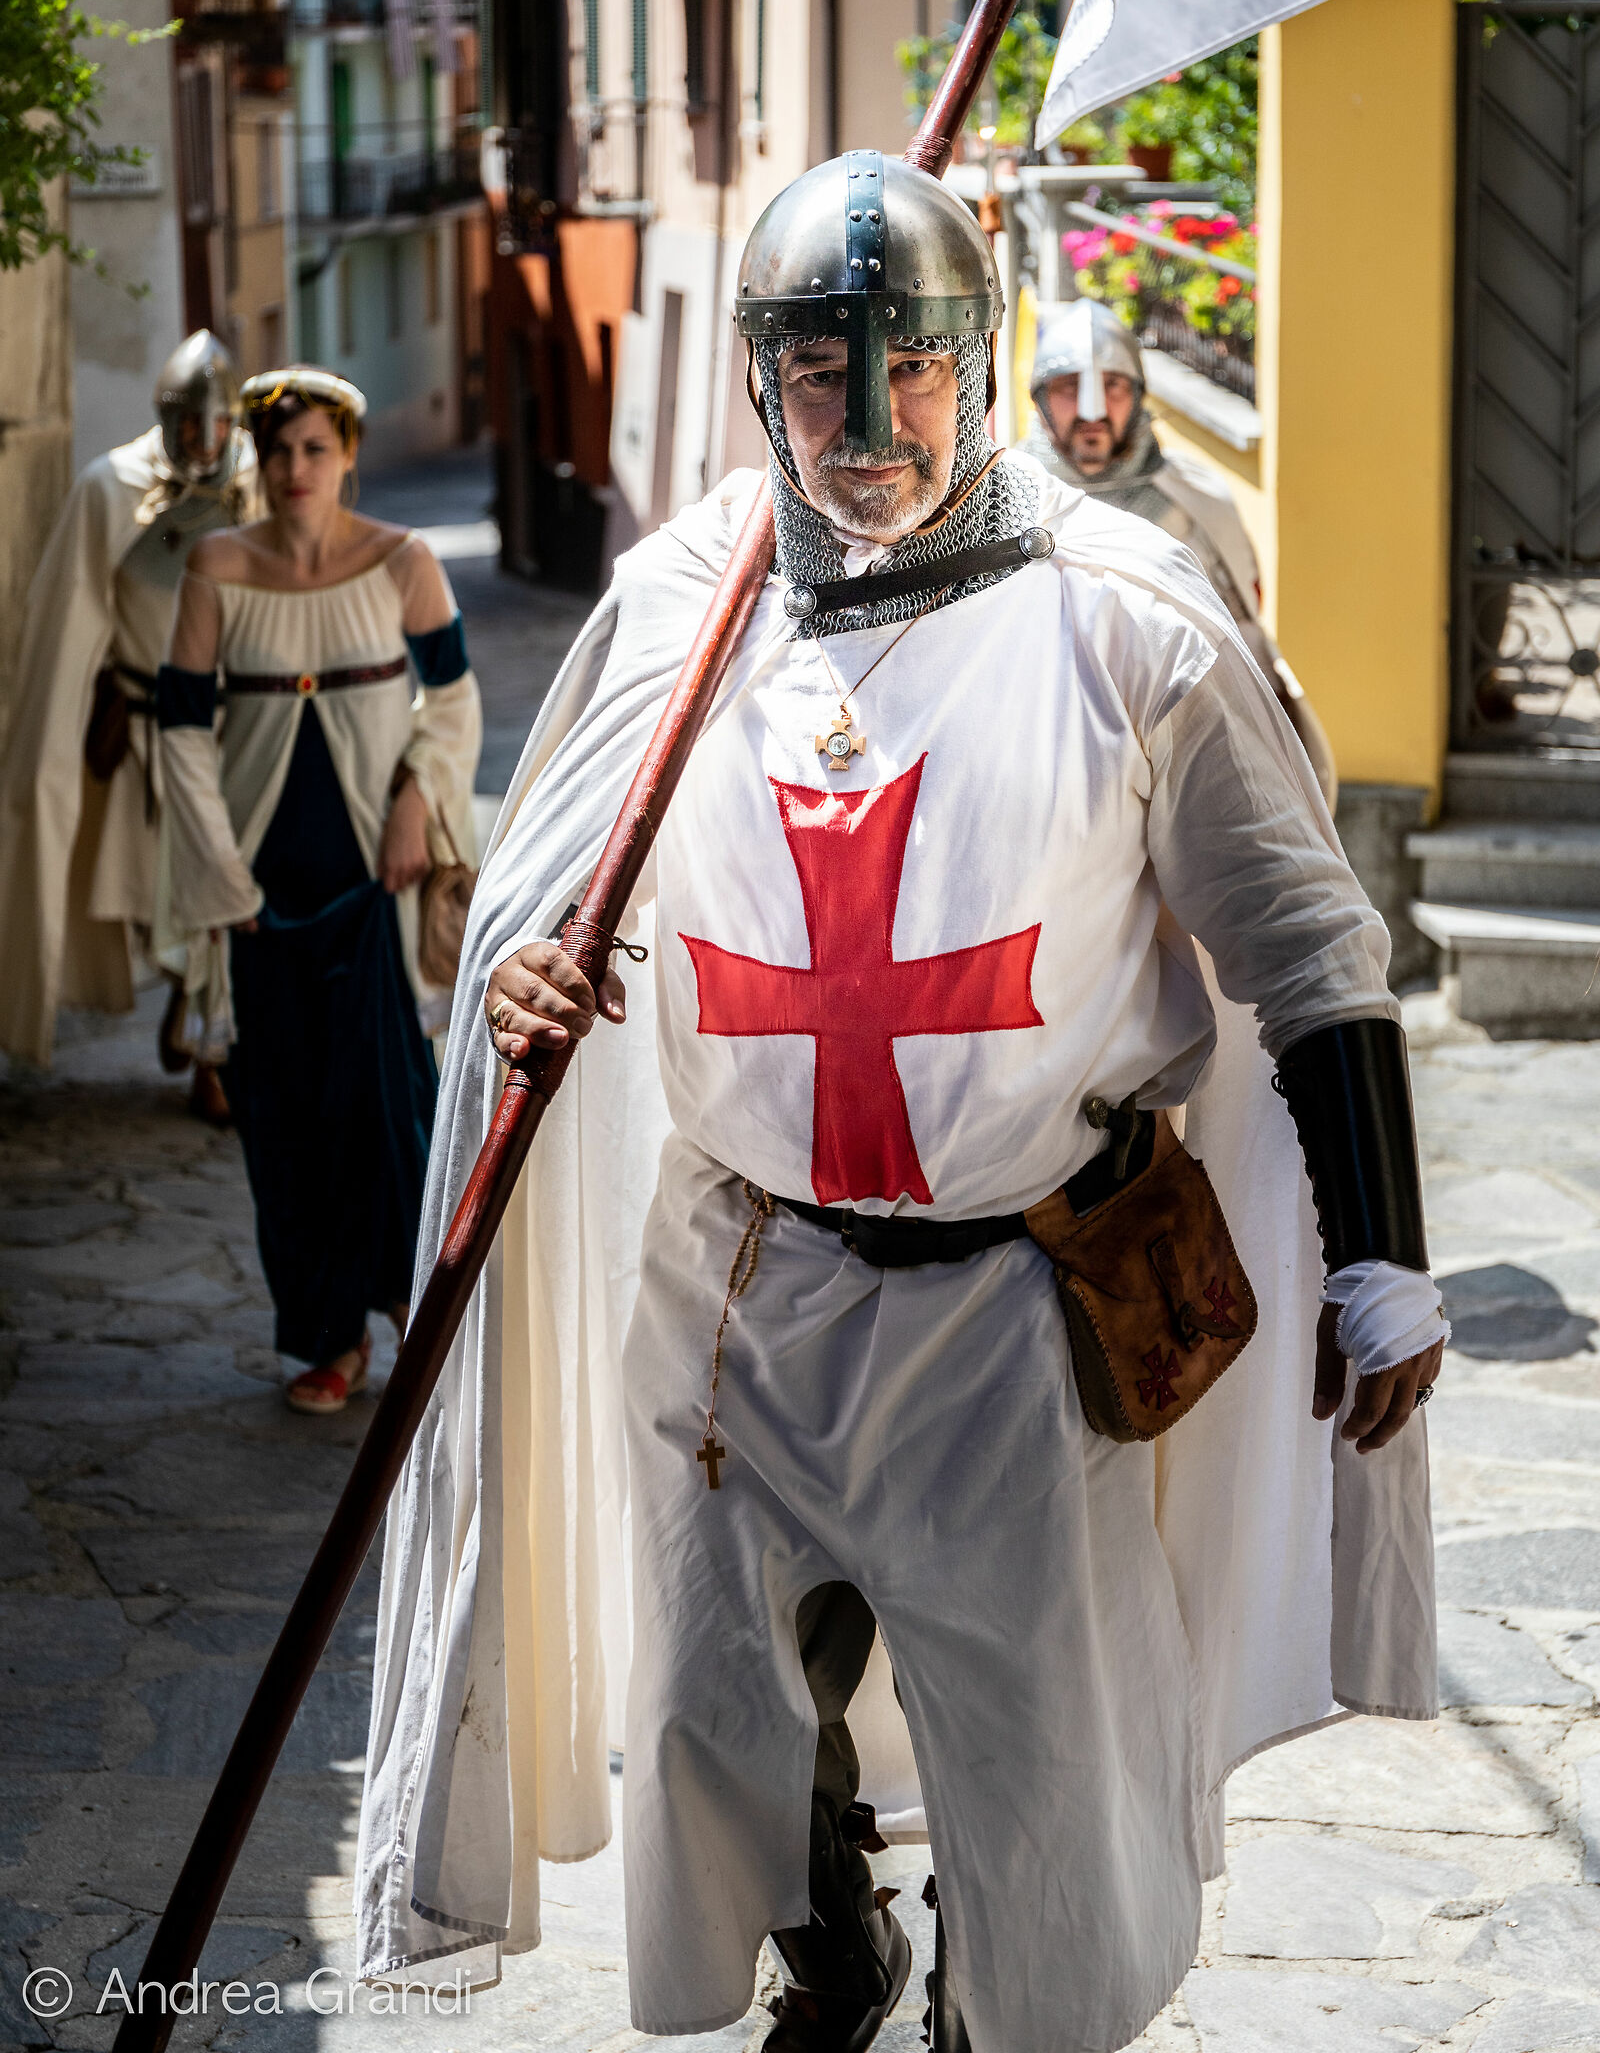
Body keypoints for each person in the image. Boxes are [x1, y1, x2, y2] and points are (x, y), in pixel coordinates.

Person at [356, 155, 1444, 2053]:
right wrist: (530, 972)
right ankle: (832, 1941)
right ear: (757, 378)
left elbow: (1309, 945)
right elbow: (568, 881)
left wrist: (1380, 1259)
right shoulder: (690, 602)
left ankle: (986, 2010)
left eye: (912, 366)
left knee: (1030, 1743)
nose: (868, 424)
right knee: (711, 1704)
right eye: (817, 371)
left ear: (979, 361)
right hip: (741, 1279)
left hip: (1020, 1293)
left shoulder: (1125, 616)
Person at [155, 367, 481, 1414]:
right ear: (257, 458)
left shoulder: (402, 562)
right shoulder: (216, 565)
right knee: (283, 1114)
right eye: (277, 450)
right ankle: (326, 1335)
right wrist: (221, 873)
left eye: (315, 449)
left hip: (374, 882)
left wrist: (415, 802)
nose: (295, 468)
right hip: (260, 891)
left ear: (348, 455)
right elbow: (180, 732)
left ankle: (416, 1308)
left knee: (392, 1105)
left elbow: (453, 699)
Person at [0, 332, 257, 1113]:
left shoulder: (257, 478)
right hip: (144, 734)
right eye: (192, 424)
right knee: (162, 898)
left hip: (229, 728)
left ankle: (213, 1053)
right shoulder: (109, 487)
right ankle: (188, 1007)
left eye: (220, 425)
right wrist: (61, 730)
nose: (205, 441)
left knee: (217, 892)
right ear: (168, 418)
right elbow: (68, 619)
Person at [1025, 296, 1339, 806]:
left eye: (1112, 385)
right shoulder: (1003, 502)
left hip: (1184, 757)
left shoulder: (1197, 501)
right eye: (1068, 386)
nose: (1092, 410)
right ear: (1040, 398)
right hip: (1049, 764)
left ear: (1138, 393)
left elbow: (1240, 641)